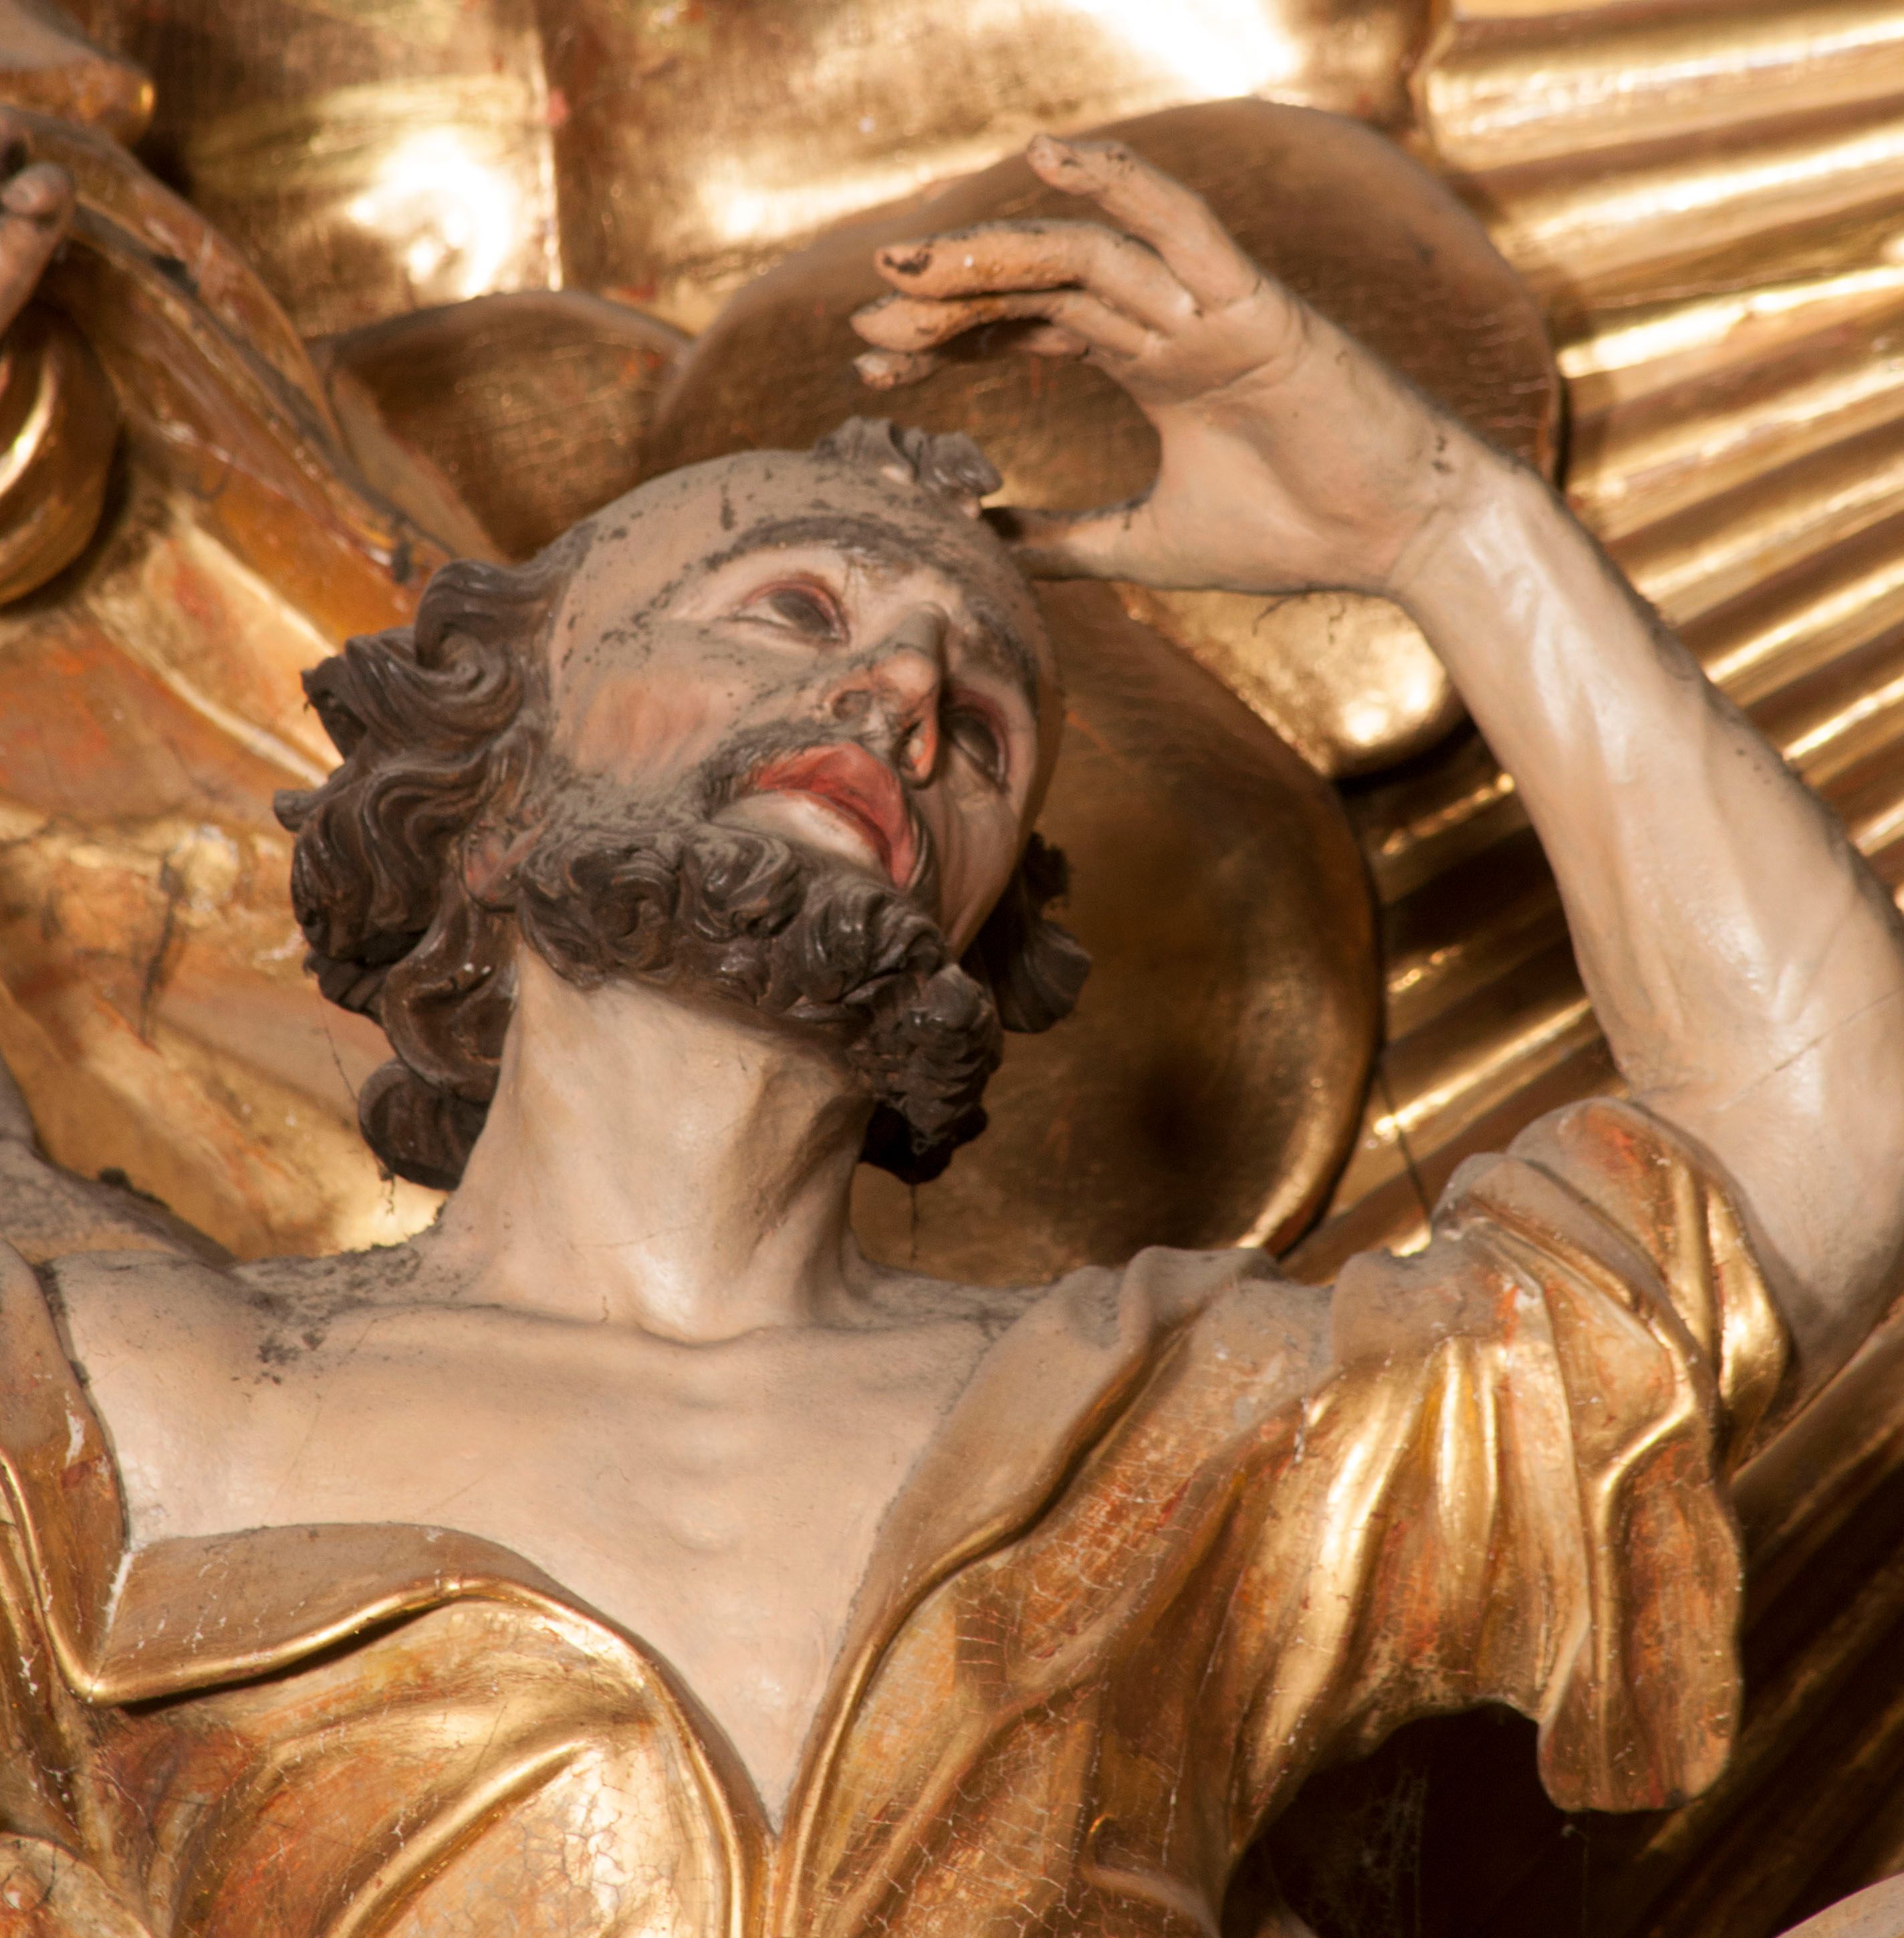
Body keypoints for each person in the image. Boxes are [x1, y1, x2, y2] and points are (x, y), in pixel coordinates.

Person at [0, 133, 1900, 1938]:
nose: (905, 684)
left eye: (984, 725)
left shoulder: (1165, 1440)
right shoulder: (130, 1396)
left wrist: (1443, 524)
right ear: (498, 781)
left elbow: (1823, 1128)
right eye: (793, 609)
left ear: (985, 939)